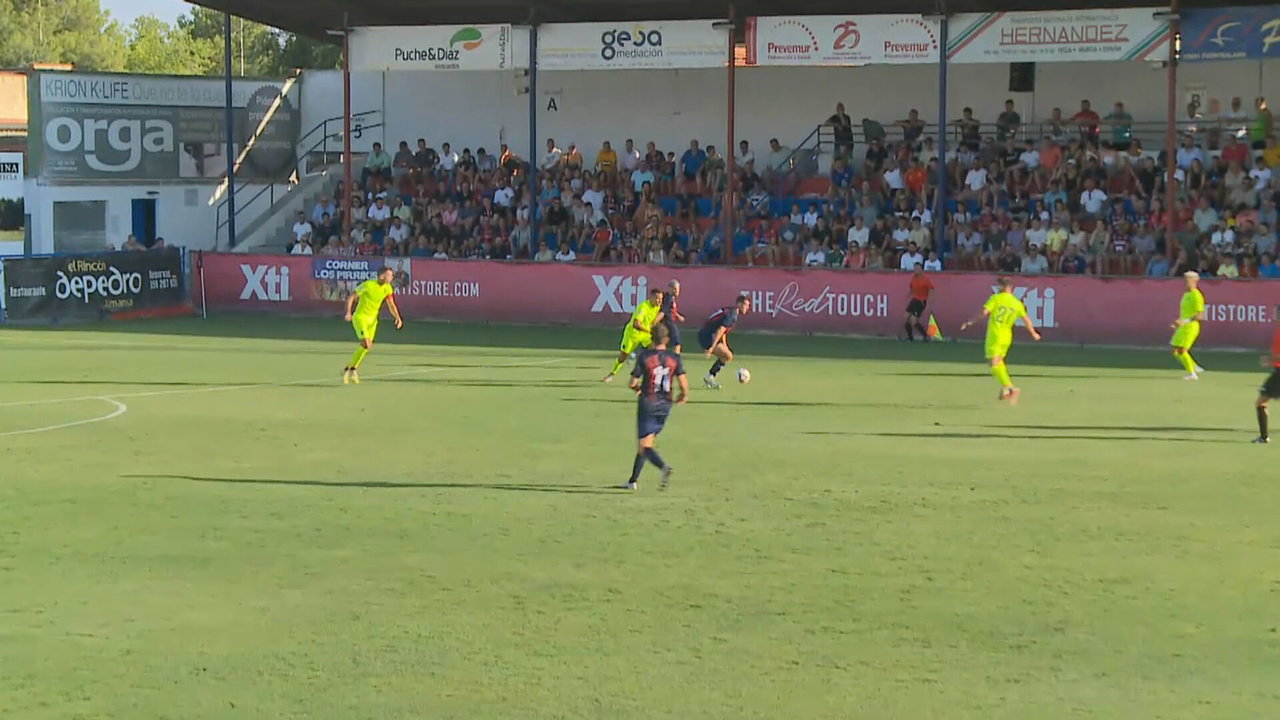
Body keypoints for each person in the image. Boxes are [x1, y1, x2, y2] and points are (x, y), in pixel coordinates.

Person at [621, 325, 688, 490]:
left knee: (644, 446)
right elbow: (684, 385)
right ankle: (632, 481)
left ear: (651, 338)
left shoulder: (644, 357)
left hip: (648, 404)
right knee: (646, 443)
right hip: (665, 405)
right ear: (667, 339)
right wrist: (682, 396)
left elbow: (632, 383)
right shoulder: (675, 358)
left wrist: (637, 390)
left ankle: (664, 467)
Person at [959, 276, 1042, 405]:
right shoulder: (1016, 302)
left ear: (1003, 287)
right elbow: (1026, 319)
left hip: (995, 335)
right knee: (998, 362)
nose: (997, 288)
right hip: (1007, 336)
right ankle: (1006, 388)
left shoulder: (996, 298)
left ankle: (1010, 387)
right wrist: (1033, 333)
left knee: (993, 363)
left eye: (998, 286)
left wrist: (970, 322)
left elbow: (984, 312)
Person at [341, 267, 403, 384]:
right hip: (361, 318)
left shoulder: (388, 288)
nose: (391, 277)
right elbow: (352, 297)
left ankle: (351, 368)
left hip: (373, 321)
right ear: (382, 276)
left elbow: (391, 304)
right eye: (389, 275)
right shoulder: (368, 285)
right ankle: (351, 368)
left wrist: (398, 318)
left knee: (367, 347)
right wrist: (348, 312)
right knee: (366, 343)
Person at [603, 287, 665, 383]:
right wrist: (649, 331)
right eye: (657, 298)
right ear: (651, 298)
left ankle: (655, 374)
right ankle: (612, 373)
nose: (660, 301)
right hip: (633, 334)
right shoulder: (643, 307)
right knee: (623, 356)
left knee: (656, 349)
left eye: (661, 299)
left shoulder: (657, 307)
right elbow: (636, 324)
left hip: (645, 335)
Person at [698, 294, 751, 389]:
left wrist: (725, 346)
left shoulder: (731, 311)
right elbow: (720, 330)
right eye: (746, 305)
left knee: (727, 355)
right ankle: (709, 377)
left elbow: (724, 332)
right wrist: (712, 347)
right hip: (707, 336)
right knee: (727, 356)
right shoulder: (733, 314)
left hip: (706, 333)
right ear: (739, 304)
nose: (747, 308)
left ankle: (709, 376)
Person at [1170, 271, 1207, 380]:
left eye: (1188, 280)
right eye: (1185, 280)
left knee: (1182, 350)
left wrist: (1185, 321)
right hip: (1183, 326)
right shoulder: (1186, 294)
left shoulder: (1197, 295)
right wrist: (1178, 322)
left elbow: (1201, 315)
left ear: (1194, 281)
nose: (1185, 283)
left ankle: (1192, 374)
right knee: (1175, 350)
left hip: (1191, 326)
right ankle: (1194, 367)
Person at [903, 263, 934, 342]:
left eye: (917, 269)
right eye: (915, 269)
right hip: (914, 299)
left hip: (921, 301)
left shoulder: (925, 280)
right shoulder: (913, 278)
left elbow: (931, 289)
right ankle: (910, 337)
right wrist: (907, 296)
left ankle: (925, 336)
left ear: (921, 270)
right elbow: (912, 288)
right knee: (906, 317)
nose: (915, 270)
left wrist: (930, 300)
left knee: (913, 321)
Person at [660, 279, 687, 355]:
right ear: (670, 288)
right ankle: (676, 361)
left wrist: (678, 316)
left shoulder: (671, 298)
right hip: (669, 323)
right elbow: (663, 311)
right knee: (677, 343)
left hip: (669, 322)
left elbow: (670, 310)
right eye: (675, 289)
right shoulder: (668, 299)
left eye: (678, 289)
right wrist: (654, 322)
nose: (676, 291)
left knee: (662, 343)